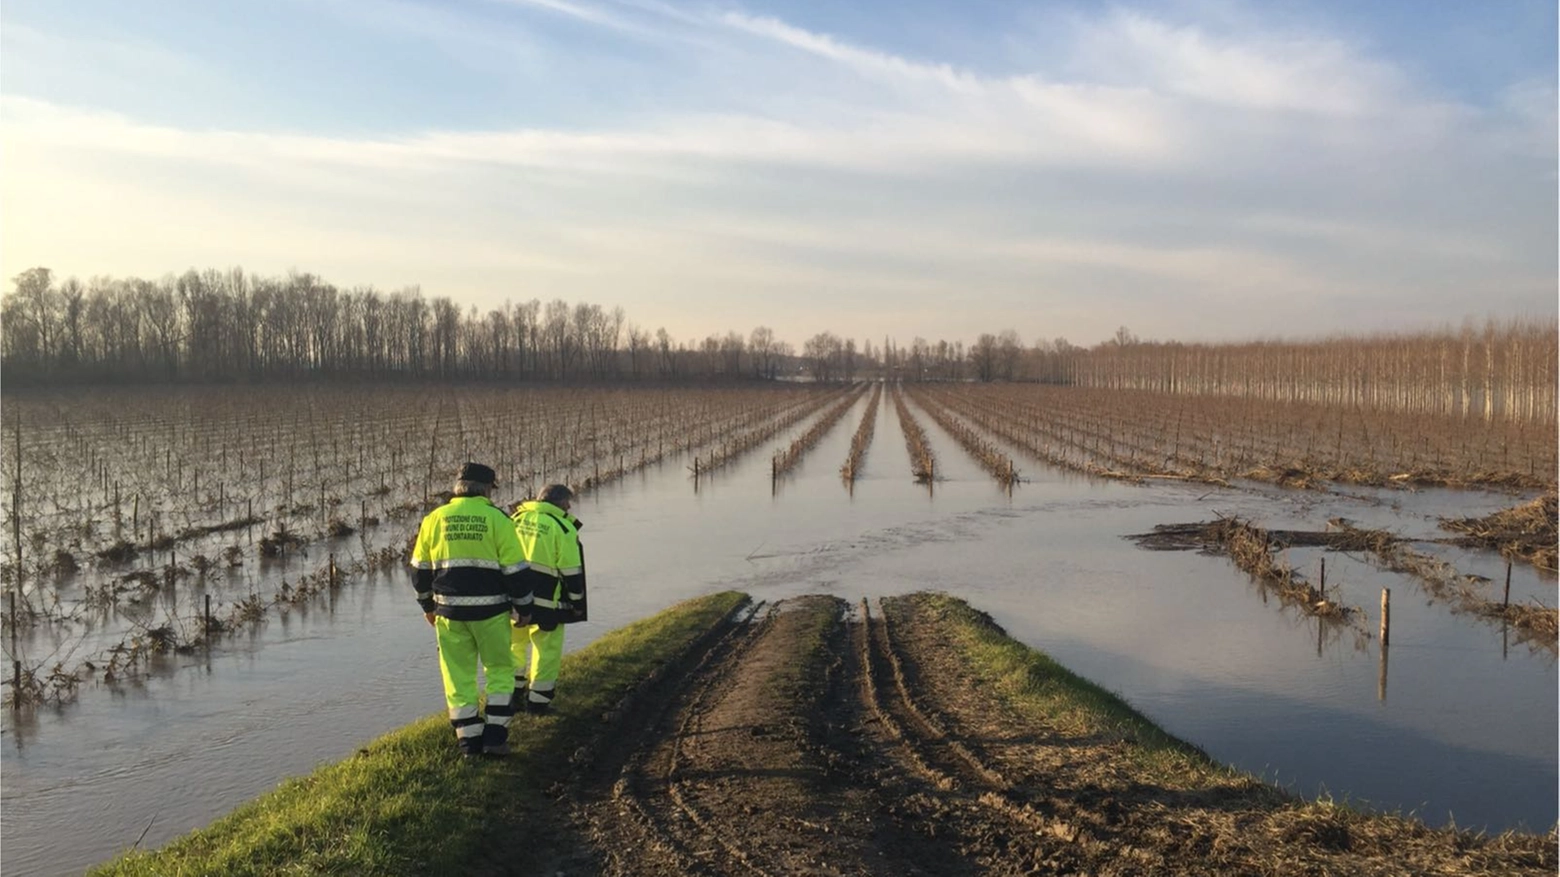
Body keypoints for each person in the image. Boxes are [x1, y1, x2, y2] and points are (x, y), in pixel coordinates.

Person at [410, 462, 529, 758]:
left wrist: (427, 605)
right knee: (500, 670)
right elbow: (515, 570)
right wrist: (524, 606)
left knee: (458, 676)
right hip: (492, 612)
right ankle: (495, 738)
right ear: (488, 489)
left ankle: (469, 743)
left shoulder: (434, 519)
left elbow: (419, 570)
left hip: (449, 613)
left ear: (457, 488)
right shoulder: (498, 519)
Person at [510, 483, 587, 715]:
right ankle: (538, 703)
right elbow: (572, 572)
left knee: (514, 647)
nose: (570, 506)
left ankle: (512, 696)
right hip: (546, 604)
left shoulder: (515, 519)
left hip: (513, 601)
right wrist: (577, 604)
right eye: (567, 502)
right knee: (546, 651)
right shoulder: (562, 528)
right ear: (559, 502)